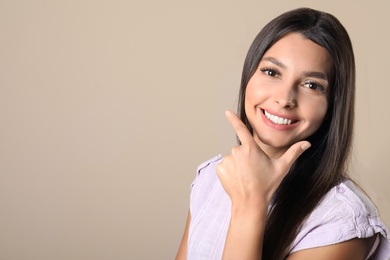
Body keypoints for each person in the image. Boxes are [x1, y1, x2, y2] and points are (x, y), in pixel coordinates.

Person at [175, 7, 390, 260]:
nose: (285, 99)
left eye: (312, 85)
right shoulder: (211, 177)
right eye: (272, 72)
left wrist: (251, 203)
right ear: (249, 75)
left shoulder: (341, 221)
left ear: (333, 104)